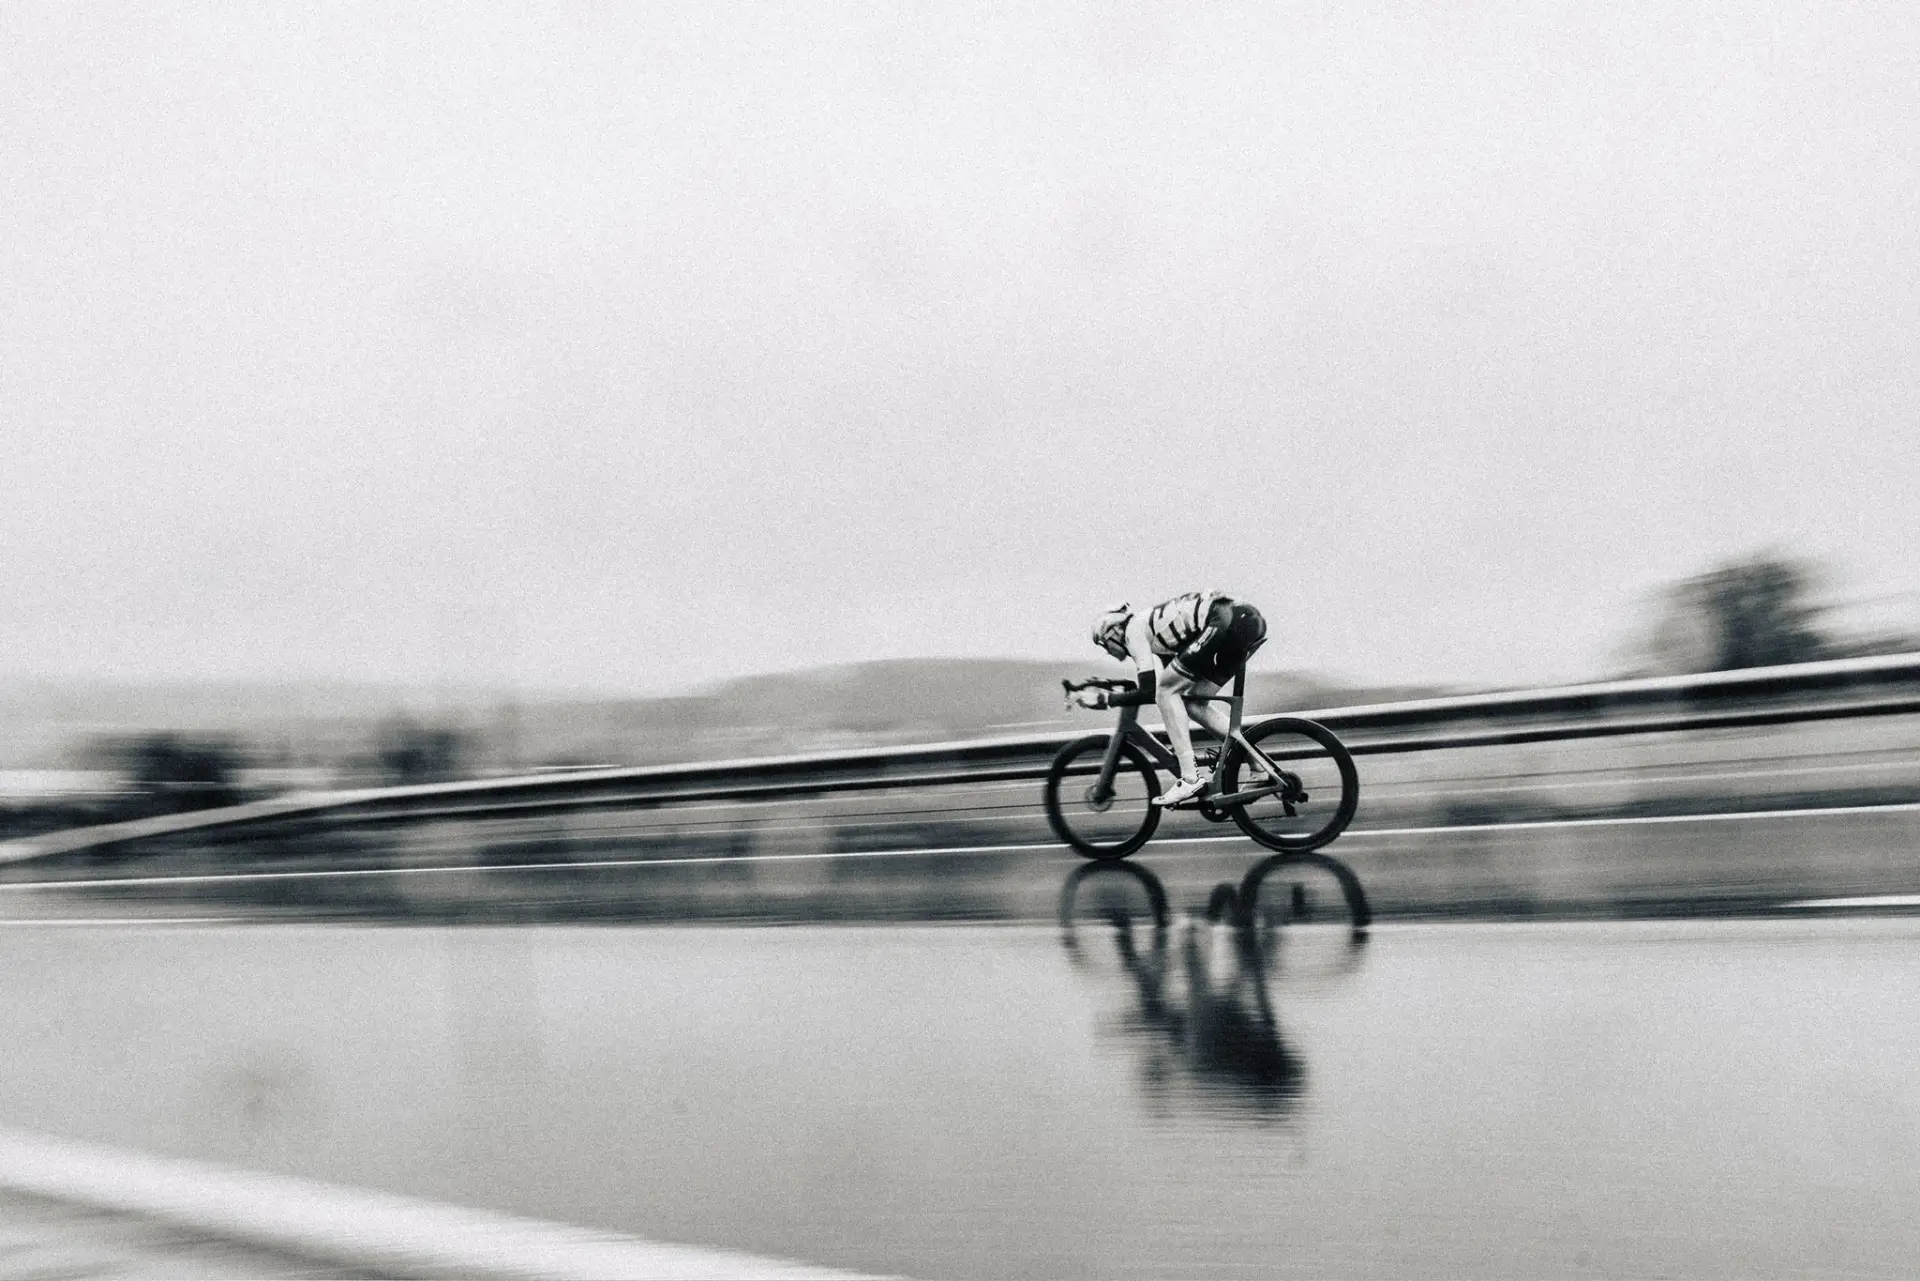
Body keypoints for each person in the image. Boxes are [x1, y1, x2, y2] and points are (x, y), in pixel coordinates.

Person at [1082, 591, 1268, 806]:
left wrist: (1106, 700)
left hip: (1224, 620)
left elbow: (1150, 690)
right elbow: (1173, 675)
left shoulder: (1132, 631)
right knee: (1194, 704)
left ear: (1114, 630)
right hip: (1243, 620)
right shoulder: (1158, 634)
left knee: (1166, 692)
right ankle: (1259, 768)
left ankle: (1190, 778)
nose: (1108, 652)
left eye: (1104, 644)